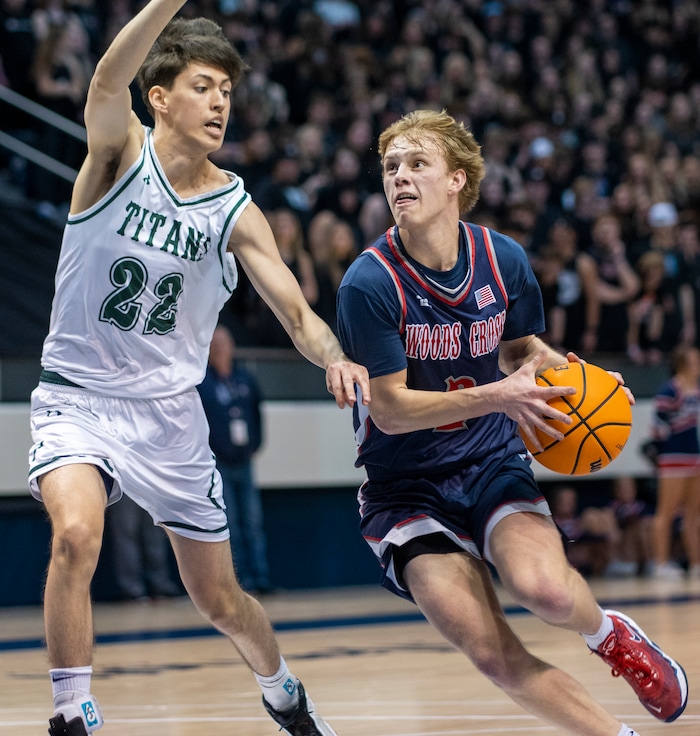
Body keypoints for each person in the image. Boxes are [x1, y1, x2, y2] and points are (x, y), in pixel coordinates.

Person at [26, 3, 370, 735]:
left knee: (220, 600)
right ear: (160, 97)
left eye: (227, 92)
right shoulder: (117, 154)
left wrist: (336, 358)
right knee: (74, 534)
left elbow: (300, 316)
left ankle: (283, 692)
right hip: (77, 397)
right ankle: (71, 713)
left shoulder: (235, 210)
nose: (219, 103)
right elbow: (104, 80)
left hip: (169, 417)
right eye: (204, 86)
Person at [336, 109, 688, 736]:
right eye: (391, 167)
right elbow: (388, 410)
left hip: (491, 462)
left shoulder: (504, 260)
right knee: (493, 653)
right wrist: (499, 396)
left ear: (457, 180)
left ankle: (610, 635)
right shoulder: (369, 281)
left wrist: (587, 382)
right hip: (404, 491)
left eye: (418, 164)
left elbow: (522, 350)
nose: (400, 178)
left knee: (548, 592)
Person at [198, 324, 272, 594]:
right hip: (218, 464)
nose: (219, 349)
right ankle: (239, 582)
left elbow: (257, 412)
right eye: (214, 345)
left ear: (231, 347)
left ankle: (261, 578)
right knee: (229, 525)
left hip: (244, 460)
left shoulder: (244, 378)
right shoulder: (202, 382)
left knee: (253, 522)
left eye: (223, 344)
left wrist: (256, 444)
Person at [648, 344, 700, 580]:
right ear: (682, 363)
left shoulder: (696, 390)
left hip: (694, 457)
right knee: (666, 512)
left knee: (693, 514)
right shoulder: (669, 390)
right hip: (673, 459)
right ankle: (660, 563)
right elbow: (657, 429)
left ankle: (696, 563)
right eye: (694, 360)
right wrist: (659, 455)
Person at [107, 492, 183, 601]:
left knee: (154, 534)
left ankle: (160, 586)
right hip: (124, 484)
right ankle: (133, 589)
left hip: (151, 484)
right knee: (127, 534)